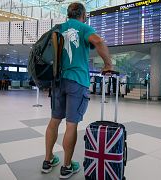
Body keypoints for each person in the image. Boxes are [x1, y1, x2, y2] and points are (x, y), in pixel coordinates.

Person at [41, 2, 113, 179]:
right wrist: (108, 64)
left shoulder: (58, 29)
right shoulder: (83, 27)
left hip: (58, 81)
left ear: (68, 14)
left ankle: (48, 160)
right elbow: (98, 41)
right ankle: (66, 166)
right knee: (71, 124)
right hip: (77, 81)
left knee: (54, 121)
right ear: (84, 14)